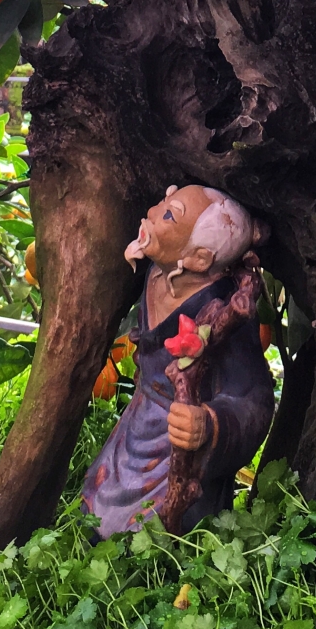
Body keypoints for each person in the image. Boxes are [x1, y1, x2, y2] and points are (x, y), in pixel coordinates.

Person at [80, 184, 274, 535]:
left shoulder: (225, 312)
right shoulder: (156, 275)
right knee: (97, 509)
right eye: (163, 202)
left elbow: (255, 397)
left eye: (170, 214)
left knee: (167, 530)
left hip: (181, 439)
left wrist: (210, 425)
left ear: (199, 259)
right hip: (138, 424)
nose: (153, 213)